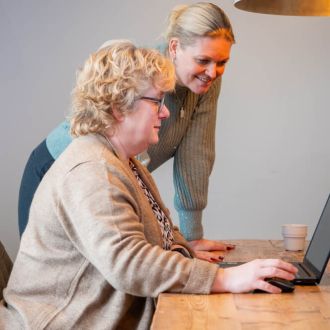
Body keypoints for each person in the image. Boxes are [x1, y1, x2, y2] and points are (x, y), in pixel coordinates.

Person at [1, 40, 297, 330]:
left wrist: (198, 263)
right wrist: (223, 279)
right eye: (157, 101)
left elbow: (166, 234)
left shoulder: (124, 163)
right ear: (119, 107)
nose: (165, 112)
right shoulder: (94, 172)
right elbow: (129, 263)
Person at [18, 2, 235, 262]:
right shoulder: (144, 74)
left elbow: (196, 155)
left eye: (222, 62)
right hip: (58, 167)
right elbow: (127, 160)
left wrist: (191, 238)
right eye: (203, 60)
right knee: (60, 275)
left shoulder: (206, 83)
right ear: (175, 47)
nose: (213, 72)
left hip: (112, 174)